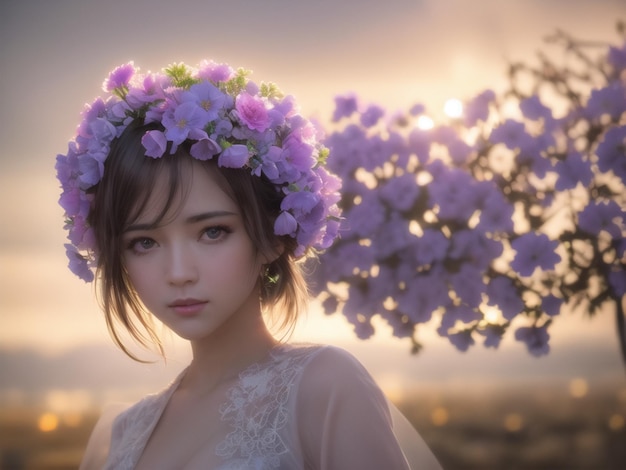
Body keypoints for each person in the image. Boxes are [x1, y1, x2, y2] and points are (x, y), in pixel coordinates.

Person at [56, 60, 442, 469]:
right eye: (145, 242)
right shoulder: (124, 434)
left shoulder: (324, 387)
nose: (179, 272)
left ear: (273, 235)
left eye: (212, 232)